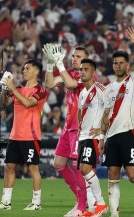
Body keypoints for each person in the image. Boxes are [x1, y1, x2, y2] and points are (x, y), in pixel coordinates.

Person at [98, 27, 134, 217]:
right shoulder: (109, 88)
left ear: (127, 65)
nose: (118, 65)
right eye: (115, 63)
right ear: (112, 66)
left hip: (129, 132)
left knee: (131, 175)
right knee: (112, 176)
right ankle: (114, 213)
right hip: (111, 136)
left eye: (121, 63)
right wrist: (101, 137)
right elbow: (105, 115)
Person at [0, 59, 48, 210]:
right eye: (24, 69)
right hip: (15, 135)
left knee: (32, 168)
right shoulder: (19, 88)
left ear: (36, 71)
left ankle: (36, 203)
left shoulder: (40, 90)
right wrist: (3, 88)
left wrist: (12, 88)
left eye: (28, 69)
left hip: (31, 136)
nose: (24, 71)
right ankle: (5, 202)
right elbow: (3, 104)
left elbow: (28, 103)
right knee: (9, 167)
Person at [43, 44, 93, 216]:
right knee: (58, 164)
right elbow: (49, 83)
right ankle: (83, 200)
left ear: (86, 60)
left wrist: (60, 65)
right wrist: (50, 65)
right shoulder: (69, 73)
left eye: (78, 56)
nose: (74, 58)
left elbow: (71, 84)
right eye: (73, 56)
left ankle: (82, 207)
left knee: (77, 166)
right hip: (67, 127)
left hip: (80, 128)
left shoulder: (86, 75)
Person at [76, 58, 108, 217]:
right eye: (81, 69)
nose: (82, 72)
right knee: (86, 173)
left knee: (85, 168)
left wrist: (102, 131)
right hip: (83, 136)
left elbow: (110, 108)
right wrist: (79, 127)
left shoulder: (100, 89)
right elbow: (80, 111)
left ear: (93, 72)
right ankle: (93, 209)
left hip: (93, 137)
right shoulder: (82, 92)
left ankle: (101, 203)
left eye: (86, 69)